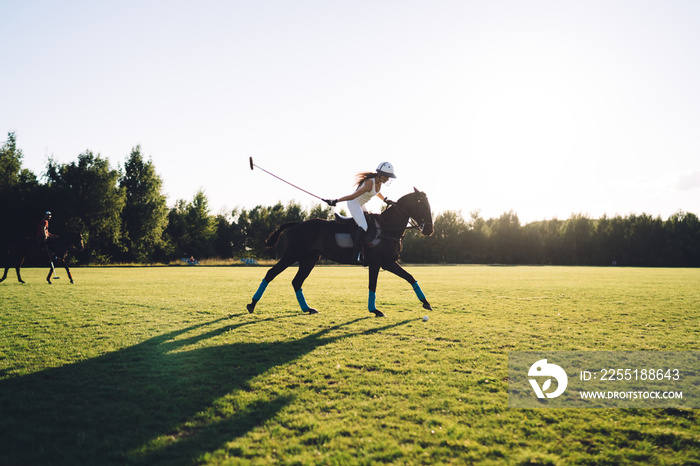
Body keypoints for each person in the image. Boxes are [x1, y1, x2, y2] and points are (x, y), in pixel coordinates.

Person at [323, 162, 396, 263]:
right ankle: (356, 254)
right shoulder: (369, 183)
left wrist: (384, 199)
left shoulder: (379, 183)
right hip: (354, 203)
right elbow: (353, 196)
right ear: (380, 174)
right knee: (364, 226)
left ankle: (366, 249)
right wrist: (336, 200)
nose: (388, 179)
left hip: (361, 204)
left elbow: (377, 192)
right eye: (387, 176)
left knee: (370, 221)